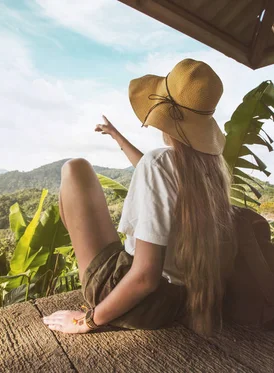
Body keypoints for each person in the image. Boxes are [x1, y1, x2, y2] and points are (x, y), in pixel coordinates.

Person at [42, 59, 236, 335]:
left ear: (163, 116)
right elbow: (159, 175)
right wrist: (117, 137)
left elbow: (145, 277)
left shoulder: (159, 164)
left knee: (75, 169)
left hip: (140, 302)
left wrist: (87, 320)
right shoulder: (211, 170)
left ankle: (92, 289)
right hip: (180, 301)